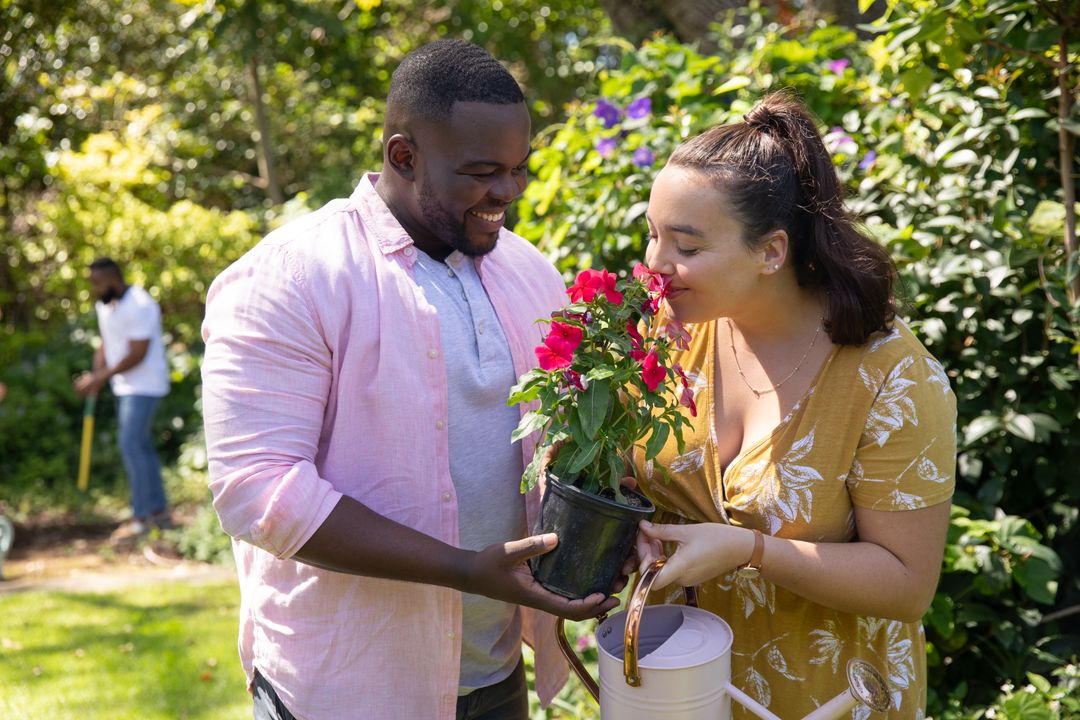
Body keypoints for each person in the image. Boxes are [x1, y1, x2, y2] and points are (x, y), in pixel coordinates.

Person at [200, 40, 620, 720]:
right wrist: (461, 568)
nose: (508, 193)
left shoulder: (529, 270)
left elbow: (558, 440)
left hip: (493, 674)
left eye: (518, 170)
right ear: (404, 156)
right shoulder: (293, 278)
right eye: (483, 172)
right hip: (348, 689)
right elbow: (257, 490)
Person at [632, 92, 956, 719]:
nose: (656, 265)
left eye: (687, 247)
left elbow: (909, 584)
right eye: (652, 235)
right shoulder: (669, 334)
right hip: (678, 689)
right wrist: (629, 537)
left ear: (770, 252)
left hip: (824, 698)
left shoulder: (891, 378)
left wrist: (749, 549)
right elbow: (628, 474)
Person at [74, 257, 171, 536]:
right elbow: (106, 342)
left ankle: (140, 519)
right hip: (123, 386)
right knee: (141, 446)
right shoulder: (106, 305)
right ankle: (158, 512)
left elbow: (138, 353)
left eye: (97, 282)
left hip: (145, 386)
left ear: (113, 279)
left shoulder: (140, 304)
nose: (94, 288)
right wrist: (96, 376)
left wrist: (100, 377)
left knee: (130, 444)